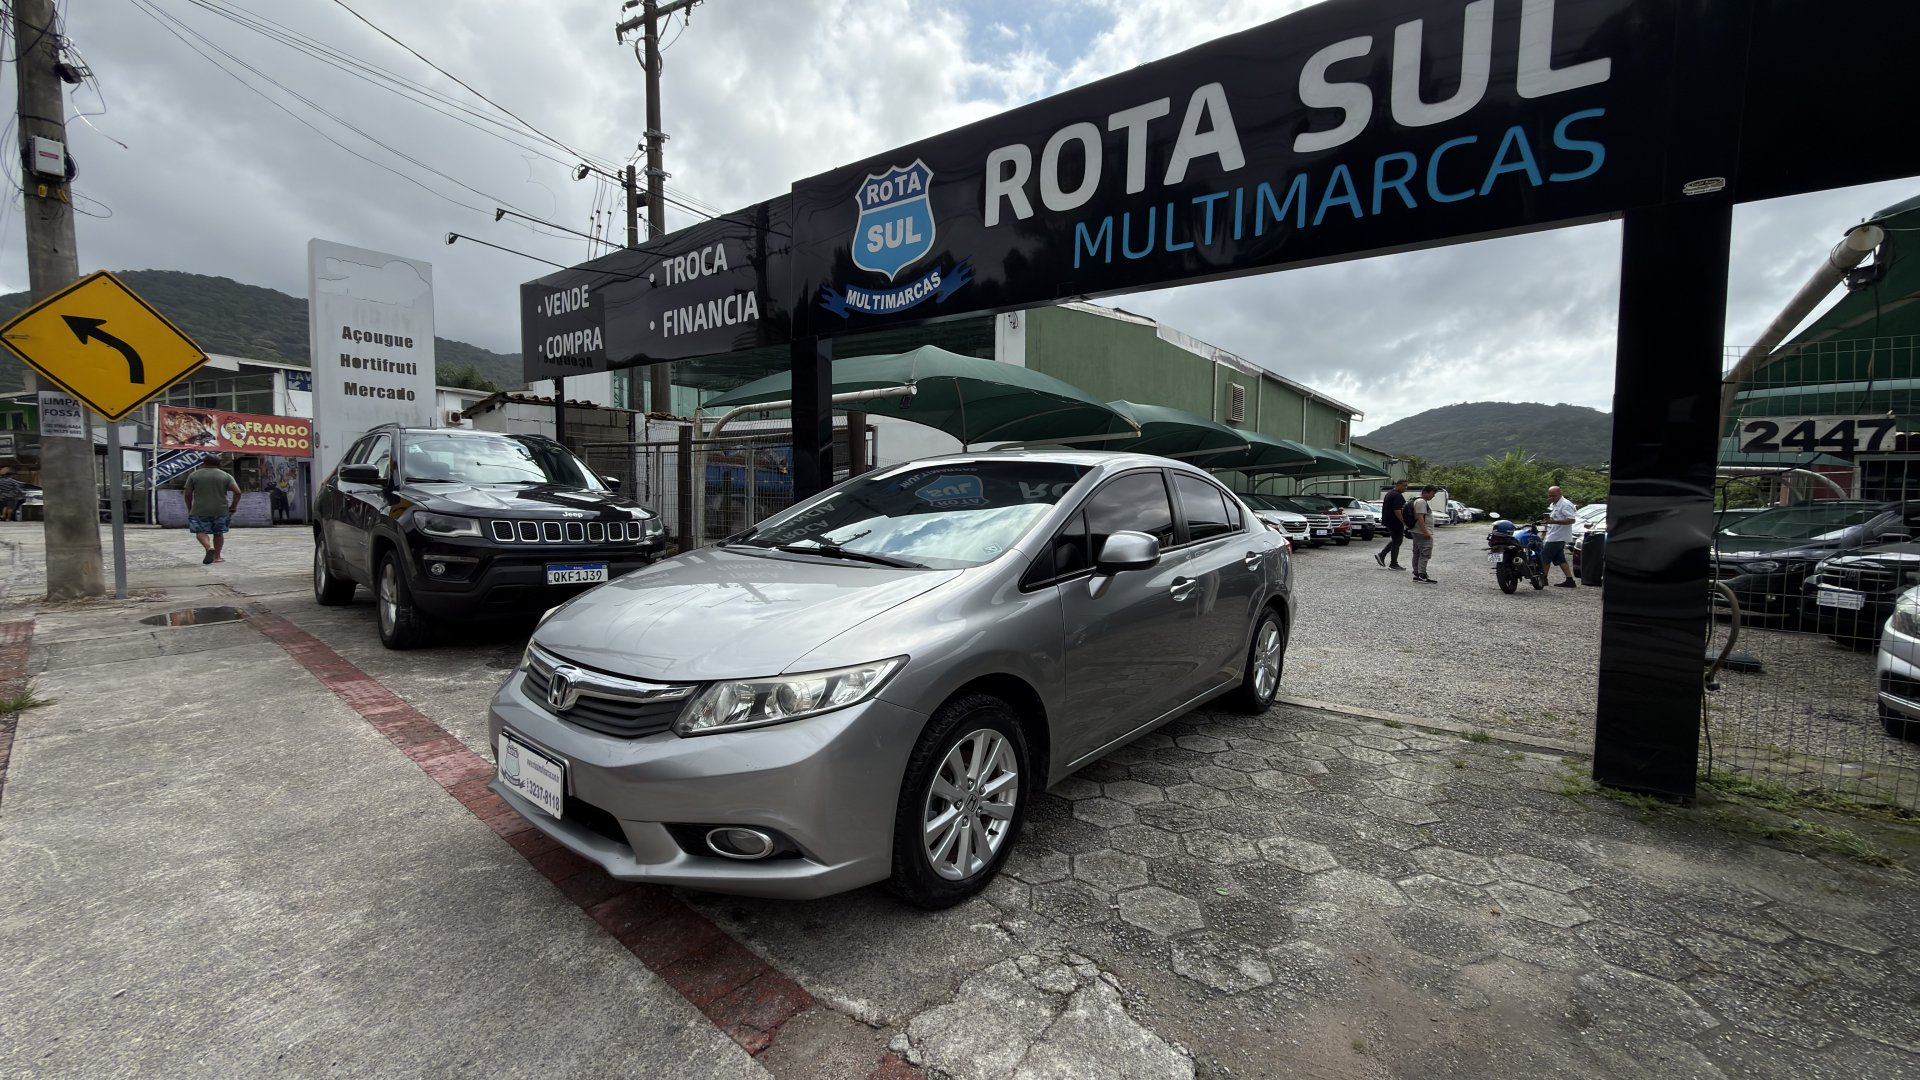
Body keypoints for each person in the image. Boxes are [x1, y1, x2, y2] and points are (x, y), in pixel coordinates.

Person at [184, 456, 241, 565]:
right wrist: (233, 506)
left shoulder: (194, 475)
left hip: (200, 509)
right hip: (221, 509)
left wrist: (189, 507)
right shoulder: (226, 476)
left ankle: (208, 547)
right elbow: (237, 492)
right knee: (218, 533)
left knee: (200, 531)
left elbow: (187, 494)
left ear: (204, 463)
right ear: (219, 464)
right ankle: (217, 557)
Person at [1542, 484, 1579, 587]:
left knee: (1545, 556)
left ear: (1560, 493)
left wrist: (1555, 522)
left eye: (1554, 496)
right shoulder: (1553, 504)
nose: (1551, 498)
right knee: (1560, 558)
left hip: (1558, 536)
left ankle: (1543, 579)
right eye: (1550, 496)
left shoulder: (1565, 504)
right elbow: (1550, 519)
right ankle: (1570, 580)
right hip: (1553, 534)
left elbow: (1572, 520)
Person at [1375, 478, 1410, 571]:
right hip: (1395, 522)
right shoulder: (1397, 495)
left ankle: (1382, 555)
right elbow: (1397, 510)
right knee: (1397, 541)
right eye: (1404, 485)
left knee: (1396, 540)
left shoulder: (1390, 493)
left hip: (1389, 521)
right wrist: (1404, 522)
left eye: (1406, 486)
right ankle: (1393, 563)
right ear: (1398, 485)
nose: (1405, 488)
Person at [1409, 484, 1439, 584]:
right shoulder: (1421, 502)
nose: (1433, 496)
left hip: (1417, 531)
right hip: (1422, 532)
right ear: (1426, 492)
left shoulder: (1417, 500)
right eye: (1432, 493)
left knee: (1417, 553)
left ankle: (1417, 573)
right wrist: (1425, 531)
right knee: (1425, 553)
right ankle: (1422, 574)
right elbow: (1420, 517)